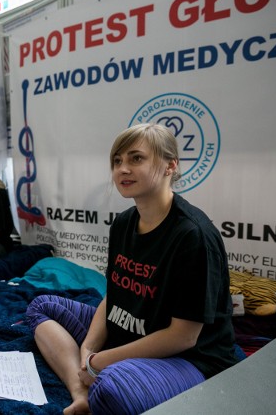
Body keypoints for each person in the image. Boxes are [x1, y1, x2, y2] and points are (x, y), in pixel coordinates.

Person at [26, 123, 238, 415]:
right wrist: (88, 350)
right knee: (41, 306)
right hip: (126, 335)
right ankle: (79, 393)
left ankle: (96, 384)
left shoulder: (193, 235)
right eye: (117, 161)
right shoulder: (124, 222)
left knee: (113, 389)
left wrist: (100, 362)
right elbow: (113, 295)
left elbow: (183, 336)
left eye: (136, 159)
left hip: (189, 357)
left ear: (170, 166)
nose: (122, 169)